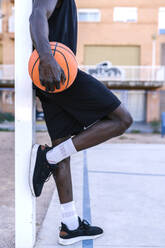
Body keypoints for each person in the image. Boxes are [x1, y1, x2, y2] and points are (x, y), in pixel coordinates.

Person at [29, 0, 133, 245]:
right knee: (122, 119)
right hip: (57, 70)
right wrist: (46, 57)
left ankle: (70, 225)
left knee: (62, 144)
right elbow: (37, 16)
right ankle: (49, 157)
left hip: (51, 76)